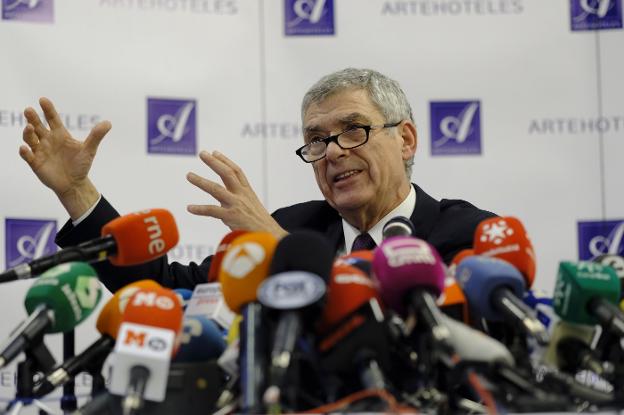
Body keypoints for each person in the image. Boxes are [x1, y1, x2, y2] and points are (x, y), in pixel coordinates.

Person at [18, 68, 495, 293]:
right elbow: (167, 289)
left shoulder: (469, 236)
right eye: (316, 139)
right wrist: (75, 192)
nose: (331, 152)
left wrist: (280, 245)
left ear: (405, 139)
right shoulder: (297, 226)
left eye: (353, 130)